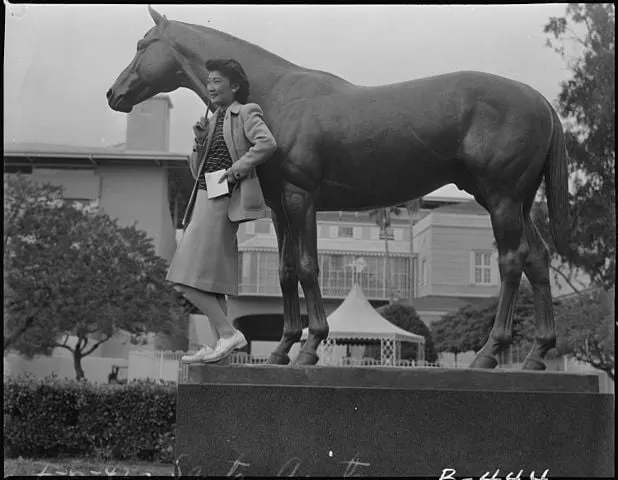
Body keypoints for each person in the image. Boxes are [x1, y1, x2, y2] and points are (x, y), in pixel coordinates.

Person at [167, 58, 277, 364]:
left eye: (217, 81)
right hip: (205, 193)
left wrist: (235, 172)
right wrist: (199, 141)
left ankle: (229, 334)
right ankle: (221, 344)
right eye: (209, 82)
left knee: (182, 279)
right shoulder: (212, 121)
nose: (211, 87)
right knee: (211, 282)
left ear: (235, 86)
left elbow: (267, 144)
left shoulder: (245, 113)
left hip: (222, 197)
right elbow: (195, 171)